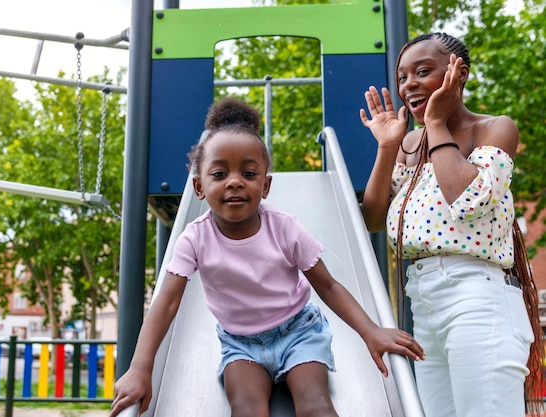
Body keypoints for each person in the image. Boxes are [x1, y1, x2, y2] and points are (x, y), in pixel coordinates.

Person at [111, 96, 425, 417]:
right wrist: (140, 368)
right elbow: (166, 302)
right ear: (199, 187)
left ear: (266, 185)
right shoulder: (194, 238)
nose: (234, 181)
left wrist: (370, 331)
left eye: (248, 173)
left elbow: (328, 286)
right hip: (240, 344)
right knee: (246, 409)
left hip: (299, 332)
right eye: (219, 174)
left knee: (315, 403)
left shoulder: (284, 228)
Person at [360, 32, 544, 417]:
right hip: (423, 305)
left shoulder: (494, 129)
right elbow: (375, 219)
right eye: (402, 77)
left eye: (423, 71)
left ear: (458, 73)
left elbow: (467, 202)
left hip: (477, 298)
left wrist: (437, 123)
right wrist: (387, 147)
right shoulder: (409, 144)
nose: (409, 84)